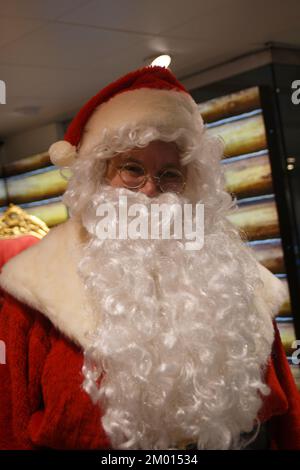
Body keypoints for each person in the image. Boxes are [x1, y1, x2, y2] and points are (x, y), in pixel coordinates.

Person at [0, 66, 299, 450]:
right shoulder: (33, 289)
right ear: (98, 176)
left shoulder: (242, 283)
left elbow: (287, 421)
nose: (152, 190)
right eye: (132, 169)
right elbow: (9, 425)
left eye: (171, 174)